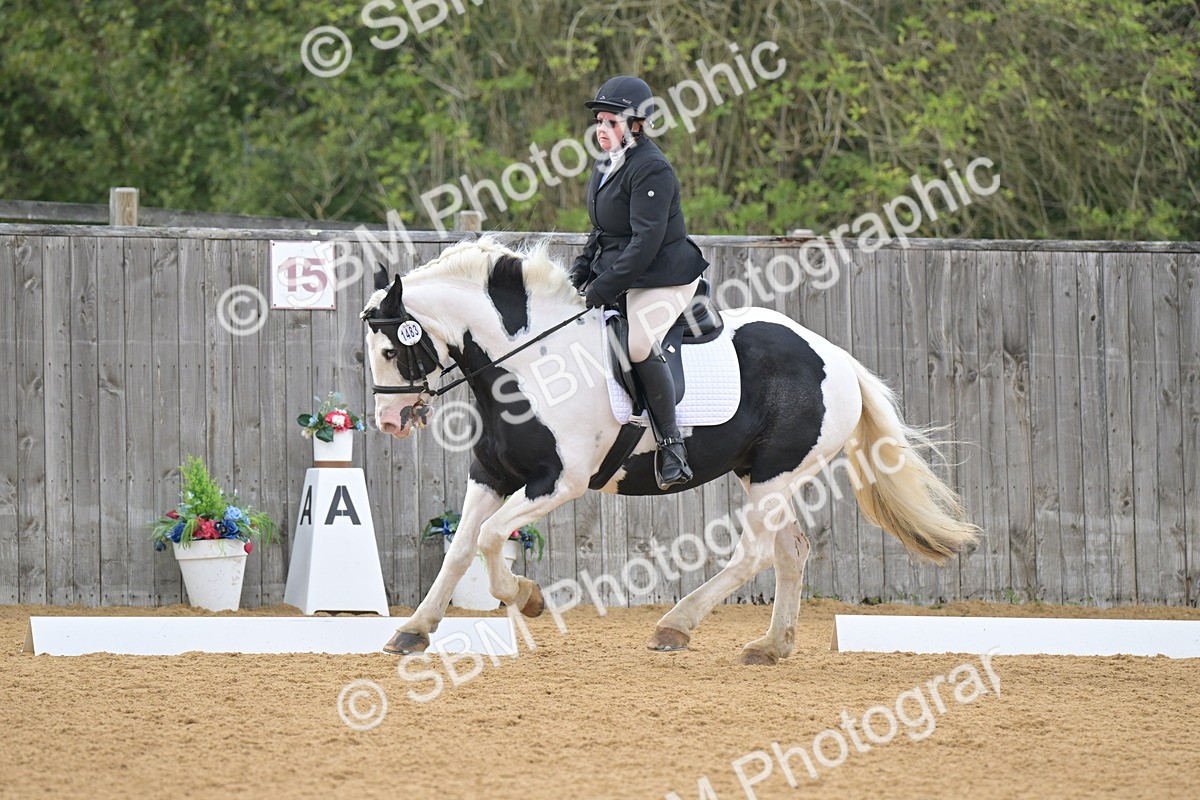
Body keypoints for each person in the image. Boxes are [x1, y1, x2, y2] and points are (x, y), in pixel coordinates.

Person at [569, 75, 709, 490]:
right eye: (599, 121)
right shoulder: (606, 164)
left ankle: (671, 444)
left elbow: (645, 242)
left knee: (636, 344)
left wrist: (603, 287)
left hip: (665, 276)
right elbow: (601, 229)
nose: (602, 130)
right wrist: (580, 269)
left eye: (611, 122)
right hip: (626, 273)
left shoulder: (652, 168)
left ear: (635, 124)